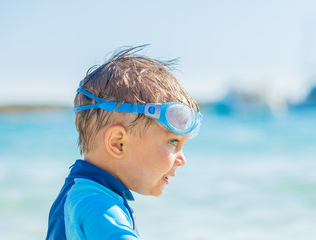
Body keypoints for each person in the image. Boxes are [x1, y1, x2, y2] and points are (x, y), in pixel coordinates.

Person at [46, 46, 202, 240]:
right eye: (173, 141)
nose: (182, 159)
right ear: (118, 143)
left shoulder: (82, 194)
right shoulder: (98, 206)